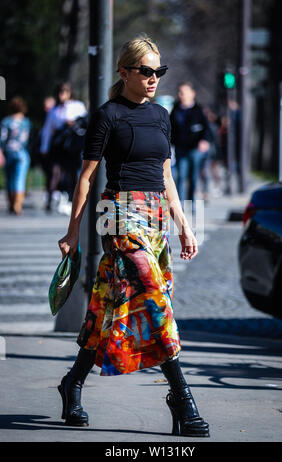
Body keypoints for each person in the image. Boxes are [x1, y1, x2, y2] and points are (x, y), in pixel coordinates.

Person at [56, 35, 210, 437]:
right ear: (124, 72)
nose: (153, 78)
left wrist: (184, 225)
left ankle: (72, 383)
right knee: (156, 302)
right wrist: (73, 231)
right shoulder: (108, 115)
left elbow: (166, 176)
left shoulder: (161, 115)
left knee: (110, 305)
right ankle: (182, 399)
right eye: (145, 71)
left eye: (158, 71)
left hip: (155, 215)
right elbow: (86, 178)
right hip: (120, 216)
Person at [40, 82, 87, 211]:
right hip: (59, 145)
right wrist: (44, 148)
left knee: (74, 172)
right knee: (55, 172)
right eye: (60, 92)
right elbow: (47, 130)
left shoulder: (78, 106)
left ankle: (74, 199)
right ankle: (50, 199)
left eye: (64, 92)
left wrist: (73, 123)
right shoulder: (54, 110)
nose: (62, 95)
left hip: (73, 144)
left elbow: (85, 122)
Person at [170, 82, 211, 209]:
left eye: (184, 92)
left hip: (195, 149)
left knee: (193, 176)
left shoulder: (198, 110)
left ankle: (192, 202)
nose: (181, 95)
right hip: (181, 148)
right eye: (180, 92)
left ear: (192, 94)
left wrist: (204, 141)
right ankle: (180, 205)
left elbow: (206, 129)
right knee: (181, 176)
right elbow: (170, 129)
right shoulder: (175, 109)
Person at [0, 96, 31, 215]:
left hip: (8, 152)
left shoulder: (6, 121)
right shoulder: (26, 122)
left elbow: (2, 139)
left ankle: (11, 203)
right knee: (20, 178)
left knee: (10, 179)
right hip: (22, 153)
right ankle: (18, 205)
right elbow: (27, 140)